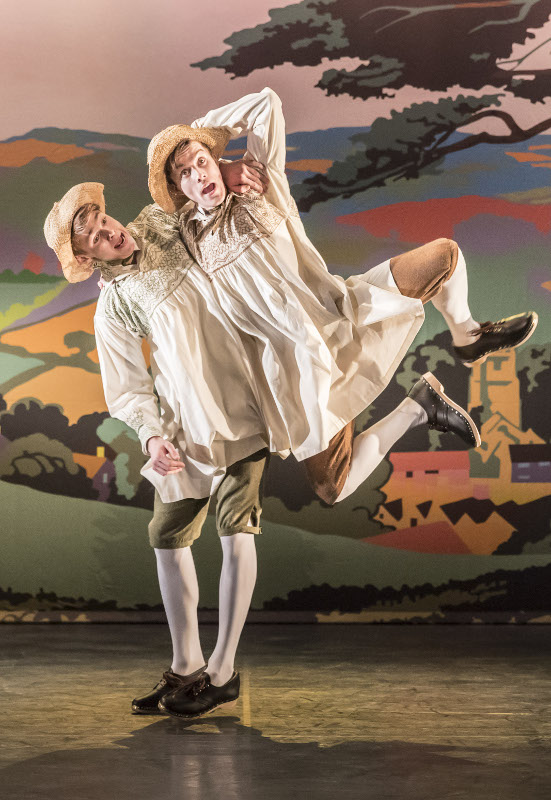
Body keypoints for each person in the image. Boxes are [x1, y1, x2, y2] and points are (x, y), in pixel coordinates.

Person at [147, 87, 537, 510]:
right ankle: (419, 408)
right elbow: (129, 246)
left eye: (200, 162)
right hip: (298, 372)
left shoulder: (262, 184)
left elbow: (266, 104)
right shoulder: (186, 234)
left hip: (343, 313)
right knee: (333, 487)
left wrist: (216, 153)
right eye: (184, 173)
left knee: (445, 256)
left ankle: (468, 337)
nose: (198, 175)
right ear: (177, 188)